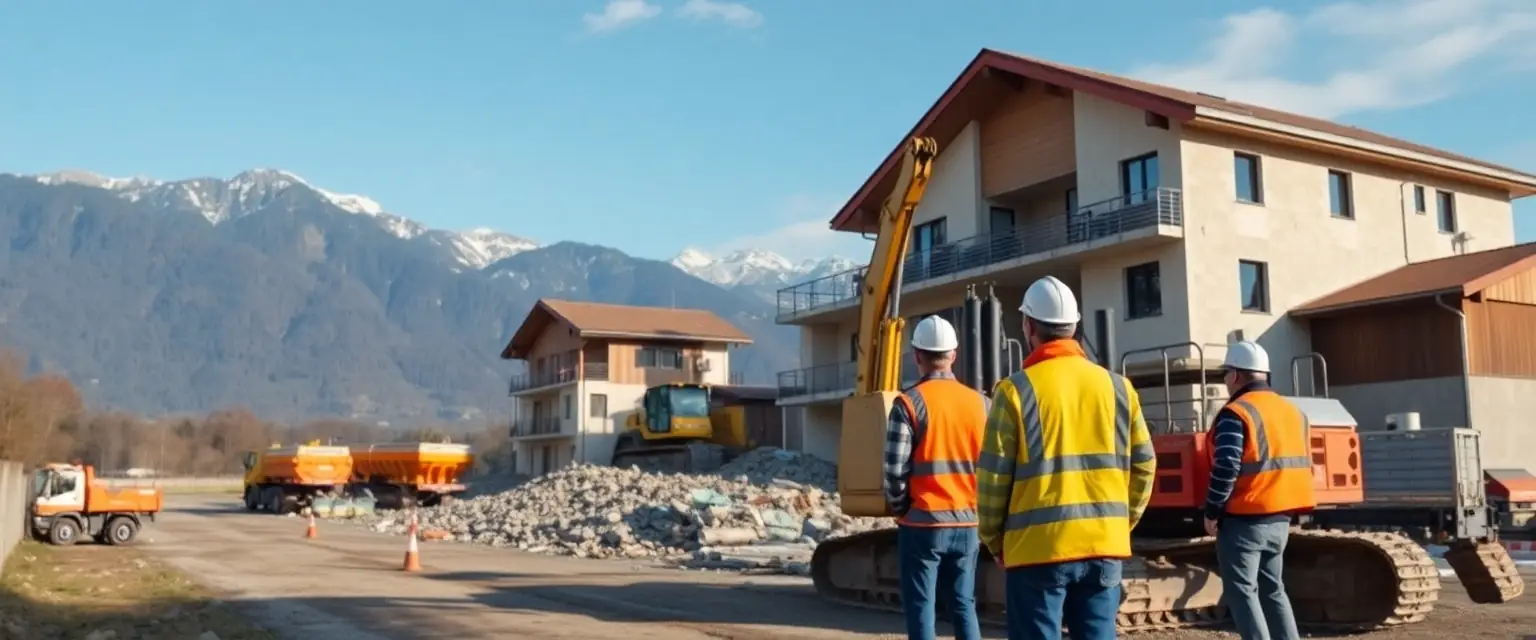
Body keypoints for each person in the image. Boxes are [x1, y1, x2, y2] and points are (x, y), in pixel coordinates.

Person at [976, 275, 1156, 640]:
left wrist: (995, 541)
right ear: (1074, 327)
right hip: (1104, 546)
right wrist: (1119, 523)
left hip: (1037, 552)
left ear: (1028, 326)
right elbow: (1145, 464)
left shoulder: (1014, 392)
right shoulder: (1120, 388)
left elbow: (993, 480)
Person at [883, 314, 988, 640]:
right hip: (968, 523)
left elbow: (893, 469)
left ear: (917, 356)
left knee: (921, 606)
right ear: (953, 355)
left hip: (923, 524)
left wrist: (901, 508)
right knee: (963, 604)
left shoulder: (909, 403)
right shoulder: (982, 403)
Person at [1202, 340, 1315, 640]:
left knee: (1242, 593)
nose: (1225, 380)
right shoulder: (1292, 412)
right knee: (1273, 589)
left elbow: (1226, 465)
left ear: (1236, 375)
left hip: (1245, 519)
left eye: (1226, 374)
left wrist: (1212, 509)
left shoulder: (1236, 413)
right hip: (1280, 519)